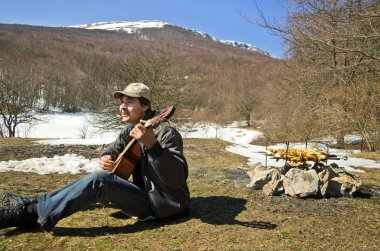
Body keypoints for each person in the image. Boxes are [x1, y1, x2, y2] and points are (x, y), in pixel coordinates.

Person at [0, 82, 190, 231]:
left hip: (166, 206)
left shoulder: (166, 133)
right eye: (121, 102)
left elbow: (177, 179)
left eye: (129, 102)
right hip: (145, 195)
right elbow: (112, 148)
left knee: (100, 181)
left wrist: (153, 146)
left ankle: (31, 213)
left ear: (145, 106)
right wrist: (106, 156)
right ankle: (33, 202)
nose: (122, 107)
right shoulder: (130, 130)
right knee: (99, 177)